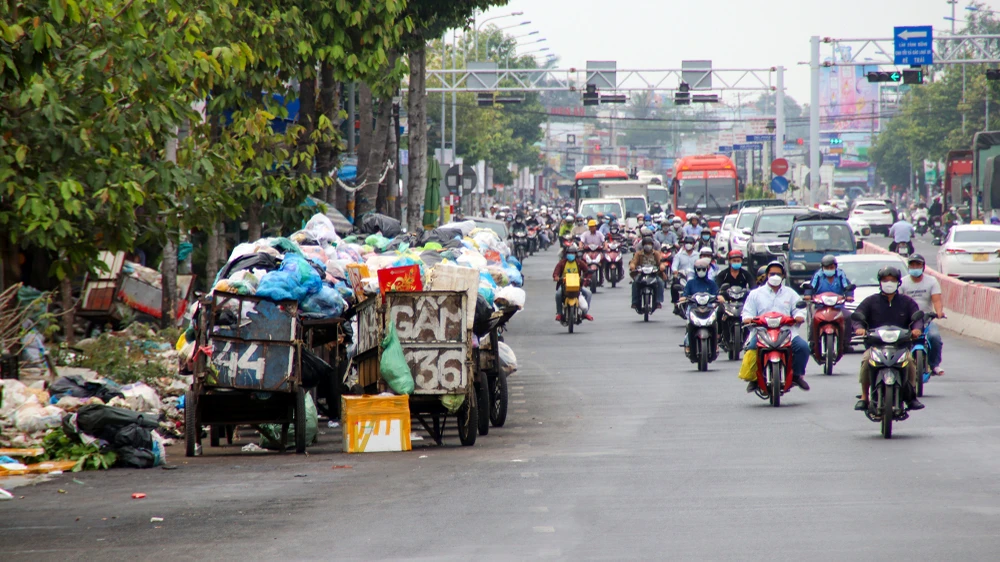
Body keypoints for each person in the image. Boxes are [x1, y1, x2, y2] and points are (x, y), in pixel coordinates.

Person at [853, 266, 924, 411]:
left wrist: (916, 329)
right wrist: (859, 328)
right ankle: (864, 397)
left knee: (910, 362)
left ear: (898, 282)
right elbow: (858, 316)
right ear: (880, 282)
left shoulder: (907, 302)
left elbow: (917, 318)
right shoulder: (870, 301)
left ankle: (911, 397)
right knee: (866, 360)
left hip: (901, 347)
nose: (889, 283)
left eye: (892, 280)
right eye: (885, 280)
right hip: (875, 346)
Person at [741, 261, 811, 393]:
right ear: (767, 275)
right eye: (772, 273)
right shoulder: (755, 294)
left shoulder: (790, 293)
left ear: (783, 276)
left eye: (778, 274)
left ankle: (796, 376)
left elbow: (799, 309)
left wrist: (799, 316)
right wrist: (748, 318)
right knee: (752, 348)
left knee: (803, 348)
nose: (775, 276)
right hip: (762, 332)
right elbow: (747, 312)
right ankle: (755, 379)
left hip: (786, 332)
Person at [900, 254, 945, 376]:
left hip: (926, 319)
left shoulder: (931, 281)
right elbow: (899, 301)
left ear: (923, 267)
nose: (915, 267)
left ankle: (934, 365)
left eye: (918, 265)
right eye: (912, 265)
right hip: (908, 320)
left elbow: (936, 300)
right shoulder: (902, 282)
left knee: (934, 337)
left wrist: (938, 312)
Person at [680, 257, 720, 352]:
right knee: (689, 323)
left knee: (715, 323)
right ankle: (688, 344)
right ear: (695, 270)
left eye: (703, 269)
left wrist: (719, 297)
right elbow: (685, 295)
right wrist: (684, 298)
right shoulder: (690, 283)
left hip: (708, 308)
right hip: (693, 308)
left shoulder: (711, 283)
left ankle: (715, 344)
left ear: (707, 270)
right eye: (699, 269)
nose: (701, 271)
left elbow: (717, 294)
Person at [553, 244, 594, 322]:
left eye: (573, 253)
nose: (571, 255)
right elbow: (556, 273)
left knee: (588, 293)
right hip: (564, 285)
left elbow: (587, 271)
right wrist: (556, 277)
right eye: (569, 253)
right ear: (566, 254)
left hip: (577, 285)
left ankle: (585, 313)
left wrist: (587, 279)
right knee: (558, 294)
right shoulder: (562, 263)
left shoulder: (579, 263)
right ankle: (559, 313)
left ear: (576, 254)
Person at [629, 236, 667, 311]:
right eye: (646, 244)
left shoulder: (656, 254)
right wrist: (632, 266)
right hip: (641, 273)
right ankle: (634, 302)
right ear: (643, 245)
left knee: (660, 282)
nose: (648, 246)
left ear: (652, 245)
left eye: (649, 244)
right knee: (635, 283)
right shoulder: (638, 254)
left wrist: (662, 266)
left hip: (654, 273)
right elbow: (633, 262)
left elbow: (661, 262)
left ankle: (658, 301)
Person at [670, 236, 699, 304]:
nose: (688, 245)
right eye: (687, 243)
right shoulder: (679, 255)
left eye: (690, 243)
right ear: (684, 244)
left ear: (693, 244)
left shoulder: (698, 255)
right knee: (674, 285)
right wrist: (675, 271)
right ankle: (675, 303)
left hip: (694, 276)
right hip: (682, 276)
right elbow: (674, 265)